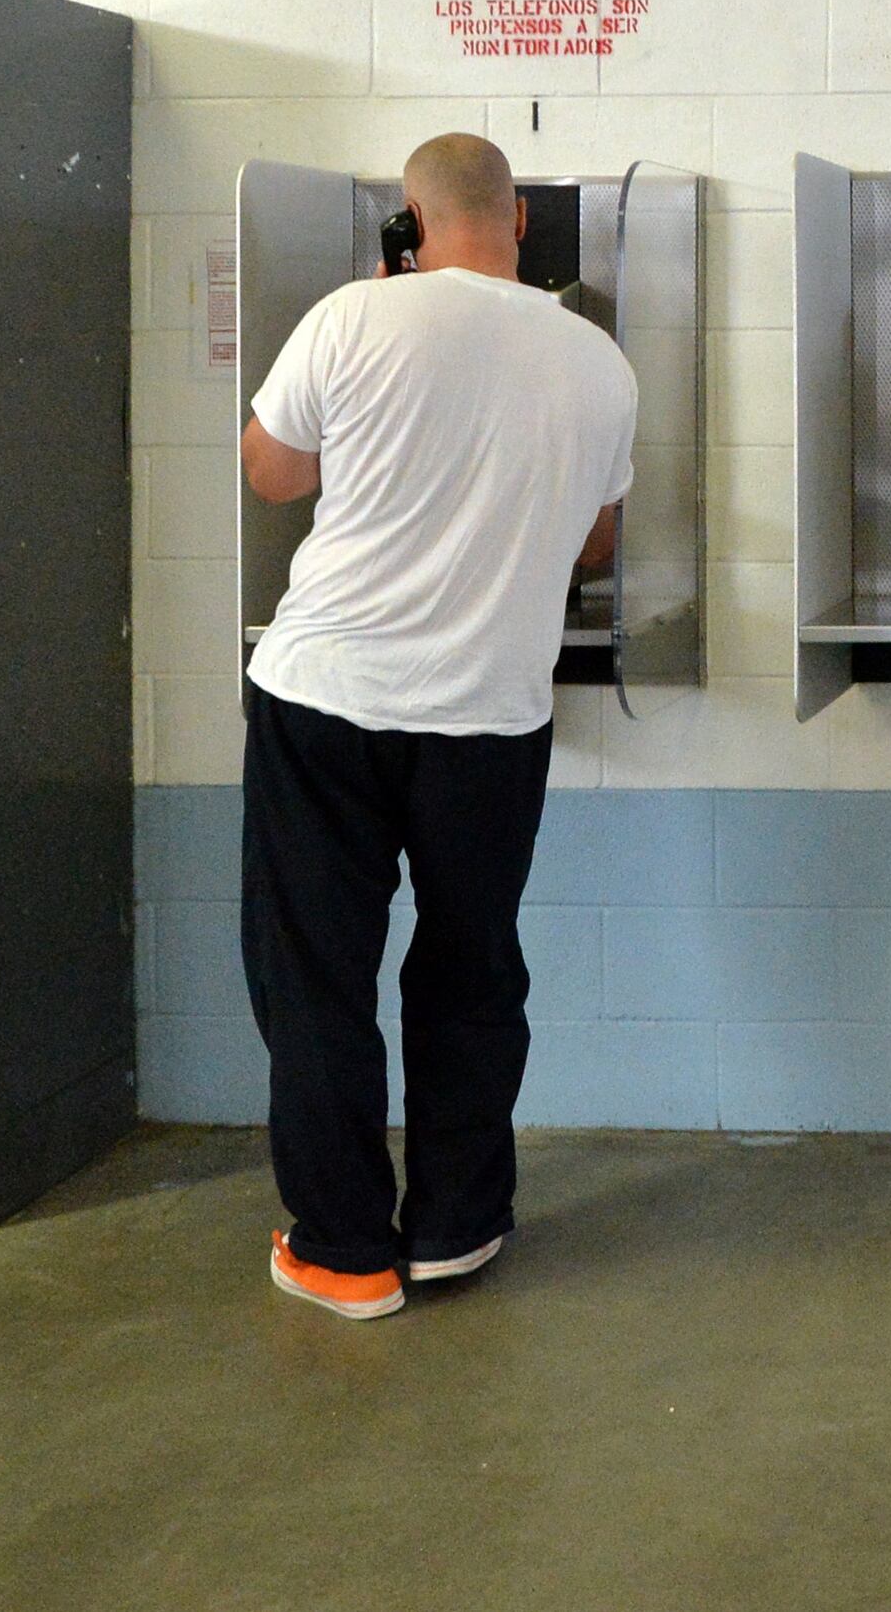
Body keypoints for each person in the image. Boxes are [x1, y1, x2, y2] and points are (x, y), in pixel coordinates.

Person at [237, 134, 638, 1321]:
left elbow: (269, 473)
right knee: (471, 970)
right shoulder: (600, 361)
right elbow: (598, 543)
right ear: (519, 222)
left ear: (410, 221)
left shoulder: (355, 317)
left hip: (329, 703)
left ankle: (344, 1250)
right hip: (492, 715)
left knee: (317, 976)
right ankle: (456, 1226)